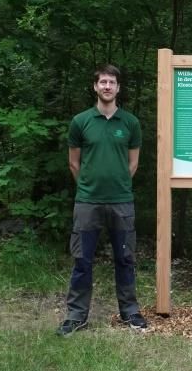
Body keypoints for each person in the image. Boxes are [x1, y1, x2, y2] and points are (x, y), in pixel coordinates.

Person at [57, 65, 147, 335]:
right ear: (95, 87)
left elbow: (133, 164)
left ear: (118, 88)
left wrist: (117, 184)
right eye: (102, 82)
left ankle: (129, 311)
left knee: (125, 258)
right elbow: (74, 163)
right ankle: (76, 315)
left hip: (121, 201)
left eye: (112, 83)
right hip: (87, 203)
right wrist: (88, 187)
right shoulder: (80, 122)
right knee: (82, 260)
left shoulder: (130, 123)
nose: (107, 87)